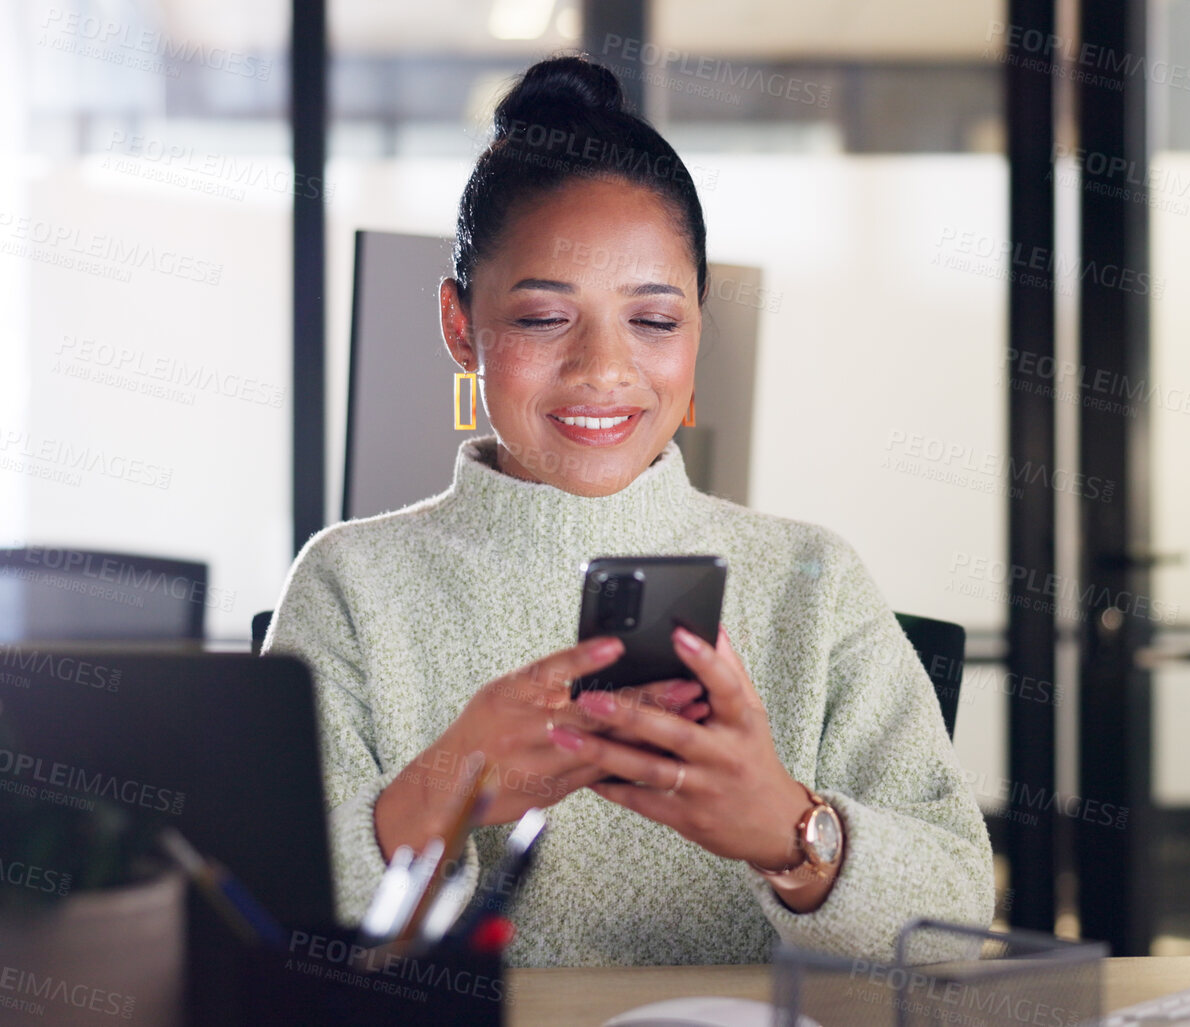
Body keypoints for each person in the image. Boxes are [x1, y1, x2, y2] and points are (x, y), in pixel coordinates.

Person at [264, 53, 992, 966]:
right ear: (460, 326)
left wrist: (789, 829)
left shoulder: (813, 579)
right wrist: (441, 789)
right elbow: (273, 927)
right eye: (541, 319)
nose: (604, 370)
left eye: (653, 320)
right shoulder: (350, 582)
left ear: (697, 319)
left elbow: (957, 923)